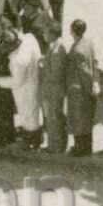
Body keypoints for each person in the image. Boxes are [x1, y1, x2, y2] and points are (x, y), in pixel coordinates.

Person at [0, 22, 42, 149]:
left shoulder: (18, 59)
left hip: (24, 89)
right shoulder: (29, 38)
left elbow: (17, 81)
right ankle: (37, 138)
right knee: (34, 112)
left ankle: (30, 142)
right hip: (35, 80)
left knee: (27, 115)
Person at [66, 19, 97, 156]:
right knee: (85, 119)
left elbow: (84, 71)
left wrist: (89, 88)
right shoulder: (87, 42)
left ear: (72, 30)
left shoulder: (77, 49)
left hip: (78, 88)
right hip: (82, 87)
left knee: (78, 119)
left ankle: (81, 148)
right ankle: (85, 147)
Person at [40, 22, 68, 153]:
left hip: (54, 88)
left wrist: (43, 69)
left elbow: (56, 73)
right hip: (52, 87)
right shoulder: (54, 46)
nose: (43, 35)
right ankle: (54, 144)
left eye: (46, 32)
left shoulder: (57, 49)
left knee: (54, 117)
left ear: (52, 34)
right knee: (52, 116)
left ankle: (56, 146)